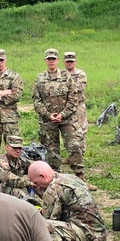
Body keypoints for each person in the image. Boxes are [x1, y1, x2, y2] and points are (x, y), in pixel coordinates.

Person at [29, 160, 106, 241]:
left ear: (42, 176)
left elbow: (49, 222)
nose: (36, 187)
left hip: (88, 238)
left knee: (43, 229)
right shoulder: (69, 178)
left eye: (36, 183)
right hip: (97, 235)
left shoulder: (53, 189)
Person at [33, 49, 85, 180]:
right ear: (45, 60)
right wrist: (48, 115)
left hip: (66, 119)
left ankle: (80, 177)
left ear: (57, 60)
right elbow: (36, 101)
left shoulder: (66, 76)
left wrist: (63, 114)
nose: (51, 61)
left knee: (74, 146)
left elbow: (73, 98)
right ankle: (56, 179)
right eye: (48, 59)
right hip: (48, 121)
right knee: (51, 150)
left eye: (53, 59)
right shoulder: (40, 78)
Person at [0, 135, 35, 200]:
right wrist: (28, 182)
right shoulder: (1, 162)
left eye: (20, 148)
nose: (18, 151)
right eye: (14, 148)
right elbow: (8, 179)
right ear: (7, 147)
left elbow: (34, 166)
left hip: (11, 189)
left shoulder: (20, 161)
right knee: (15, 190)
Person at [62, 52, 89, 164]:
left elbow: (78, 88)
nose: (70, 64)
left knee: (81, 129)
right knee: (67, 130)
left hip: (78, 105)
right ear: (64, 62)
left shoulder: (80, 74)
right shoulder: (61, 74)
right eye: (67, 62)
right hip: (65, 106)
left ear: (75, 62)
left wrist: (63, 88)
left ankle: (80, 153)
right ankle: (71, 155)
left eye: (71, 61)